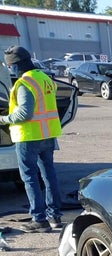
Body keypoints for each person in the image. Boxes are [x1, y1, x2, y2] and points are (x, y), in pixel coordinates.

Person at [0, 45, 64, 232]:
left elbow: (25, 113)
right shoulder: (45, 78)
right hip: (48, 134)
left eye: (10, 66)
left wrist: (4, 119)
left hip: (28, 137)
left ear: (16, 65)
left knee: (30, 178)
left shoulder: (24, 83)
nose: (10, 70)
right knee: (49, 176)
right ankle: (55, 217)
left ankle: (39, 219)